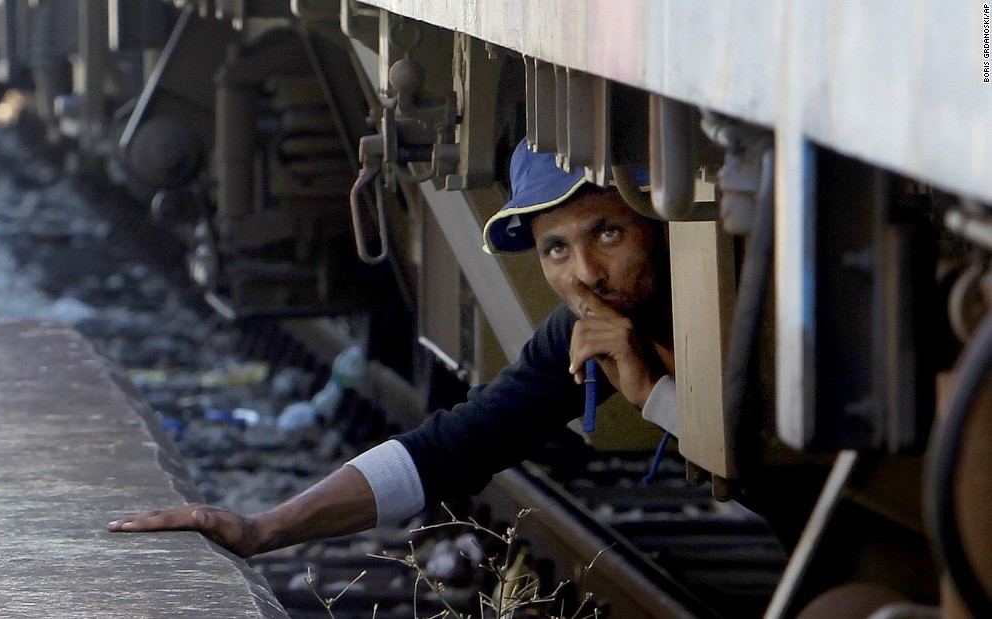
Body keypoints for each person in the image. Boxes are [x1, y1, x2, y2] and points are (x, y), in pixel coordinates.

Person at [106, 141, 678, 557]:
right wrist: (263, 530)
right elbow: (453, 447)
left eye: (608, 233)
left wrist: (653, 396)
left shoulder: (745, 312)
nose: (586, 274)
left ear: (658, 219)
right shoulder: (580, 331)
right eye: (555, 249)